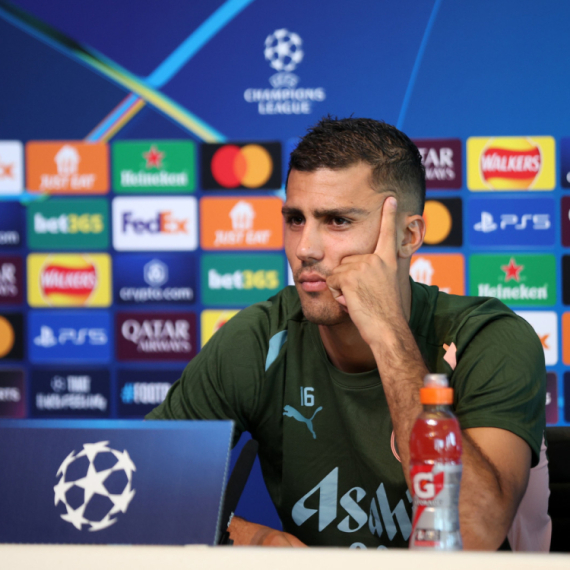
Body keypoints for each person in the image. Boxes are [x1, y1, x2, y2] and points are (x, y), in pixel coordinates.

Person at [147, 117, 548, 550]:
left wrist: (388, 333)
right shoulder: (259, 340)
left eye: (337, 221)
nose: (305, 248)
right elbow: (141, 489)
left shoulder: (488, 340)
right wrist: (249, 536)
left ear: (408, 236)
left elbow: (472, 534)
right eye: (295, 219)